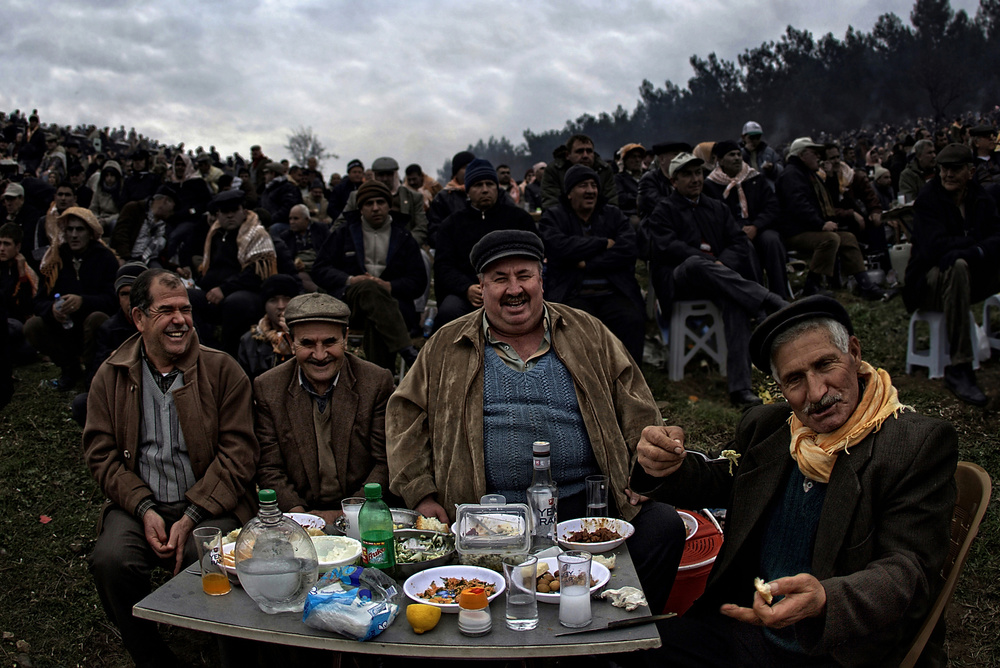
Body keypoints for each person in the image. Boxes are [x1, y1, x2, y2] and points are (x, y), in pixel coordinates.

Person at [632, 296, 957, 668]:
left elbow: (909, 569)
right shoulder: (771, 427)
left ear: (853, 352)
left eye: (825, 365)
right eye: (795, 380)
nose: (817, 393)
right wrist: (664, 463)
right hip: (744, 628)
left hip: (833, 649)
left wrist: (825, 600)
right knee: (627, 649)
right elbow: (718, 477)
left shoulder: (913, 445)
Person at [387, 229, 686, 613]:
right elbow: (404, 416)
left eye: (524, 276)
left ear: (541, 278)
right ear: (481, 286)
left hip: (585, 508)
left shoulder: (587, 331)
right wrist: (423, 495)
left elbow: (636, 405)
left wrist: (642, 471)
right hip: (485, 516)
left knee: (663, 525)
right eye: (500, 279)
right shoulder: (447, 344)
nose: (514, 289)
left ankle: (618, 637)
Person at [83, 268, 259, 668]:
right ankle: (152, 656)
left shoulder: (222, 370)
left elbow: (240, 453)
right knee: (112, 560)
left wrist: (192, 514)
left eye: (186, 309)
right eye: (166, 311)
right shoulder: (111, 375)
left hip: (210, 505)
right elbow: (100, 454)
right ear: (139, 318)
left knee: (218, 557)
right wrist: (143, 509)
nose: (180, 320)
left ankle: (231, 652)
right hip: (140, 504)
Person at [640, 152, 787, 407]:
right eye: (687, 174)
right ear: (674, 181)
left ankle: (740, 389)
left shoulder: (716, 207)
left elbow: (738, 242)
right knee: (695, 263)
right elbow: (667, 248)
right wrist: (709, 261)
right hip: (680, 281)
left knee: (736, 303)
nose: (695, 179)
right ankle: (767, 300)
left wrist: (722, 263)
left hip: (718, 280)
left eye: (698, 173)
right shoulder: (664, 209)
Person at [254, 292, 397, 523]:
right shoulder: (268, 388)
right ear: (291, 343)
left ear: (346, 339)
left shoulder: (376, 383)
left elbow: (386, 462)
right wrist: (302, 519)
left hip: (364, 514)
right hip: (296, 518)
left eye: (330, 342)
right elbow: (269, 468)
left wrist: (346, 515)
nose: (320, 355)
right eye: (307, 343)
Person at [903, 144, 1000, 406]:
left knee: (962, 262)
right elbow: (934, 247)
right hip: (927, 282)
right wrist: (973, 245)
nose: (947, 175)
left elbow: (995, 237)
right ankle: (959, 367)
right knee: (957, 266)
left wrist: (975, 249)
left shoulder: (980, 198)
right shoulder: (928, 200)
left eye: (955, 169)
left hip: (971, 275)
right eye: (943, 169)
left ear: (970, 171)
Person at [538, 164, 646, 362]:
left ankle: (629, 385)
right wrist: (602, 242)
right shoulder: (554, 217)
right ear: (569, 193)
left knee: (631, 320)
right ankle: (586, 385)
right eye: (582, 185)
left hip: (614, 290)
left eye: (593, 185)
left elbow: (627, 249)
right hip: (572, 292)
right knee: (577, 327)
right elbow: (558, 247)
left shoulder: (613, 215)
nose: (590, 190)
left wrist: (589, 264)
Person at [312, 180, 424, 370]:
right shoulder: (343, 234)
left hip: (393, 305)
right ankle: (407, 351)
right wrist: (350, 280)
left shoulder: (403, 237)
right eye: (368, 204)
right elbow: (319, 269)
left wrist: (390, 286)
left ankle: (378, 383)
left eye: (380, 202)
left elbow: (418, 281)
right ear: (360, 208)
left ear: (389, 205)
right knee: (369, 287)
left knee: (377, 319)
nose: (375, 208)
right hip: (350, 303)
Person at [432, 158, 538, 330]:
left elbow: (534, 258)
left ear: (497, 187)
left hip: (514, 289)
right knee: (449, 312)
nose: (485, 190)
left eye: (490, 184)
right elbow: (444, 266)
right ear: (468, 190)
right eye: (478, 185)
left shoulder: (518, 219)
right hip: (469, 294)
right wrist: (466, 288)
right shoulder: (451, 225)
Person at [775, 137, 885, 299]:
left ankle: (865, 285)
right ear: (802, 155)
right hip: (795, 232)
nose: (818, 157)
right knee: (829, 239)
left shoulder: (808, 174)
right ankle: (812, 286)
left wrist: (831, 177)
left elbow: (829, 201)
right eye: (814, 153)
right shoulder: (792, 175)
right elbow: (799, 206)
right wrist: (821, 224)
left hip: (810, 228)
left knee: (847, 238)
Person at [24, 207, 118, 390]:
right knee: (32, 326)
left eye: (80, 229)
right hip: (64, 329)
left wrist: (83, 301)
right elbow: (37, 302)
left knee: (97, 318)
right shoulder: (55, 258)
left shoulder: (105, 258)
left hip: (93, 328)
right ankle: (70, 370)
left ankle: (93, 374)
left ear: (90, 232)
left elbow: (113, 300)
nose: (74, 235)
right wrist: (52, 309)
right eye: (70, 229)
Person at [187, 189, 278, 355]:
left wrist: (224, 289)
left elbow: (257, 273)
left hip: (247, 292)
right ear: (217, 214)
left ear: (243, 211)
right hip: (214, 292)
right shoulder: (215, 233)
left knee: (236, 303)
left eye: (234, 210)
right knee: (187, 297)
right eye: (224, 212)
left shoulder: (256, 233)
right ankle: (199, 350)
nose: (229, 216)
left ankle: (230, 356)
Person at [703, 140, 788, 299]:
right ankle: (758, 298)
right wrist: (737, 231)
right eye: (731, 155)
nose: (737, 158)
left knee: (772, 240)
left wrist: (756, 226)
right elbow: (713, 217)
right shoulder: (710, 186)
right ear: (720, 160)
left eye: (738, 154)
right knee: (744, 246)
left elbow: (772, 206)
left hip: (757, 227)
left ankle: (780, 295)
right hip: (731, 234)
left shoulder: (754, 178)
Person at [236, 273, 300, 381]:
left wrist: (293, 335)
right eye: (273, 300)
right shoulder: (249, 341)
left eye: (287, 298)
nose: (281, 306)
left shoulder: (310, 336)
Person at [540, 134, 618, 210]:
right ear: (567, 155)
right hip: (563, 219)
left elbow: (611, 201)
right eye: (579, 151)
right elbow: (551, 203)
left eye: (589, 151)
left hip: (599, 219)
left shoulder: (604, 170)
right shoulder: (554, 170)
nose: (585, 155)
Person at [427, 150, 476, 245]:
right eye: (465, 167)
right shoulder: (443, 197)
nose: (470, 170)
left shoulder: (489, 192)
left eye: (473, 167)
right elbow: (434, 232)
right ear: (455, 173)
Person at [739, 120, 783, 189]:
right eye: (752, 137)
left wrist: (772, 168)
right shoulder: (737, 151)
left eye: (758, 137)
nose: (755, 140)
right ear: (743, 137)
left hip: (766, 190)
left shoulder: (769, 151)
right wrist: (746, 152)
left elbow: (781, 170)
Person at [614, 143, 646, 225]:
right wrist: (641, 198)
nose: (637, 160)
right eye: (633, 157)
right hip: (629, 215)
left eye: (639, 157)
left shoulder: (647, 177)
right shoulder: (619, 179)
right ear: (625, 160)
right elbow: (622, 199)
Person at [898, 139, 937, 203]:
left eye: (934, 152)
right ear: (919, 156)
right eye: (929, 153)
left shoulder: (940, 170)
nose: (934, 156)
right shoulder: (908, 175)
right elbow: (909, 201)